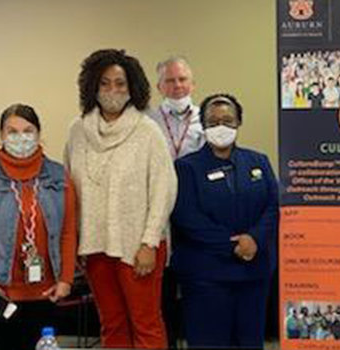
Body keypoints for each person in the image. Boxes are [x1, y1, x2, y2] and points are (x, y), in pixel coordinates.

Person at [65, 49, 177, 349]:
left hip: (139, 246)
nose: (112, 90)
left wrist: (149, 242)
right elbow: (70, 189)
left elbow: (164, 189)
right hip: (95, 246)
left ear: (133, 88)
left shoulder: (147, 131)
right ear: (92, 87)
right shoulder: (77, 132)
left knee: (146, 324)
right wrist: (73, 241)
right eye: (104, 83)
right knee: (111, 323)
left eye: (120, 83)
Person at [0, 104, 78, 350]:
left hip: (45, 294)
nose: (20, 137)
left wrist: (65, 278)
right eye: (11, 131)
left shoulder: (59, 175)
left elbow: (68, 230)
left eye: (27, 130)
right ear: (1, 135)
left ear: (39, 134)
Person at [171, 93, 279, 349]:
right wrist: (233, 245)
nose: (221, 126)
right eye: (213, 121)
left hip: (253, 274)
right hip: (206, 275)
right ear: (203, 124)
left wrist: (254, 240)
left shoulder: (259, 162)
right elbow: (186, 216)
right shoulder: (186, 167)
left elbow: (273, 207)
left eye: (228, 120)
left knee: (250, 343)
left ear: (239, 122)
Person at [146, 56, 204, 349]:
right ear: (159, 86)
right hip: (160, 215)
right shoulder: (147, 121)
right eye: (170, 80)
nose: (177, 85)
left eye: (182, 79)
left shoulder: (208, 117)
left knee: (197, 293)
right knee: (163, 294)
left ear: (193, 83)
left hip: (196, 214)